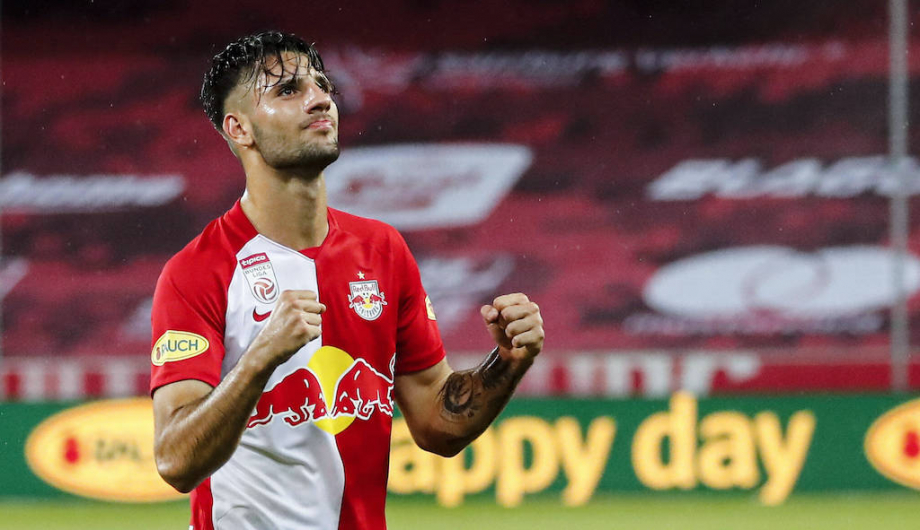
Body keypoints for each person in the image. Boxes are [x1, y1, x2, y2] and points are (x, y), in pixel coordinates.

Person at [150, 31, 544, 530]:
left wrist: (507, 361)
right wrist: (260, 358)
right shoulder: (196, 271)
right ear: (239, 128)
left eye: (322, 85)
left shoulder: (383, 250)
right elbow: (175, 461)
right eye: (288, 90)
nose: (320, 99)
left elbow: (437, 424)